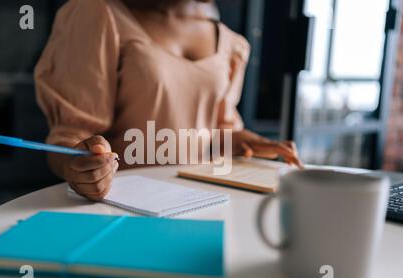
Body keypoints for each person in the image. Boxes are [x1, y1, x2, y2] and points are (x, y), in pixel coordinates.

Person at [35, 0, 303, 201]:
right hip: (122, 206)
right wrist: (79, 168)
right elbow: (68, 138)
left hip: (200, 200)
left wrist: (247, 141)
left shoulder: (232, 43)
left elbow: (217, 133)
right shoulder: (97, 14)